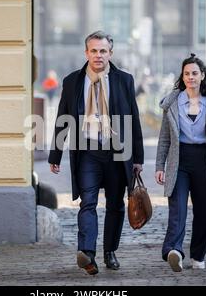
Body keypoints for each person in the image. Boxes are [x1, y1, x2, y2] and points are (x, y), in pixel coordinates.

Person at [48, 31, 144, 275]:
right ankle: (87, 253)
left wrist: (138, 159)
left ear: (110, 53)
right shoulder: (72, 82)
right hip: (88, 151)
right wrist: (55, 155)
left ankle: (109, 251)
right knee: (87, 203)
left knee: (115, 205)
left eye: (103, 51)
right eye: (94, 50)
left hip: (117, 153)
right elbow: (63, 118)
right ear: (86, 53)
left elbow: (134, 119)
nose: (98, 55)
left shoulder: (124, 80)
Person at [155, 54, 206, 272]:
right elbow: (164, 138)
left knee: (204, 212)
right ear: (182, 76)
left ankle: (198, 255)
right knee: (177, 209)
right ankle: (174, 251)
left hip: (204, 161)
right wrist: (160, 166)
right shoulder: (173, 102)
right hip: (179, 160)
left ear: (202, 75)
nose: (190, 77)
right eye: (186, 73)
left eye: (194, 73)